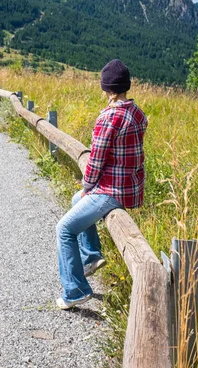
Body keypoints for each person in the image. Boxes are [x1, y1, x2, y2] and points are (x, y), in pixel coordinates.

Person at [56, 59, 148, 310]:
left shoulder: (109, 116)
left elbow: (96, 160)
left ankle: (75, 291)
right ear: (125, 87)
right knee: (77, 201)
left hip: (112, 190)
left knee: (64, 229)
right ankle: (92, 256)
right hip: (130, 187)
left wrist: (87, 185)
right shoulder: (137, 112)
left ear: (107, 89)